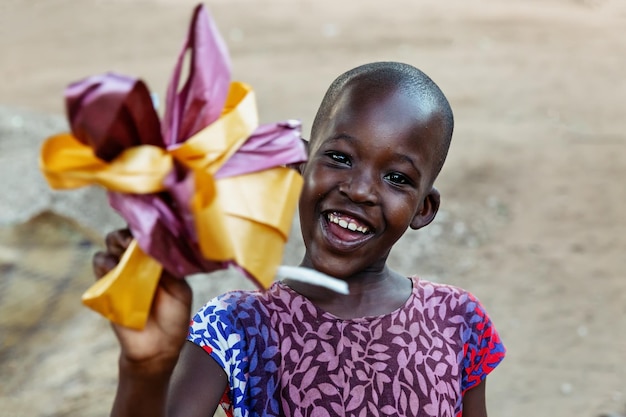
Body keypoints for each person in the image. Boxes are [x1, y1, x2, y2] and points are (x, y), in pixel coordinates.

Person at [94, 61, 505, 417]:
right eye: (340, 157)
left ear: (423, 208)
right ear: (300, 163)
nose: (360, 190)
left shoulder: (457, 321)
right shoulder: (237, 327)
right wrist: (144, 368)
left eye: (397, 178)